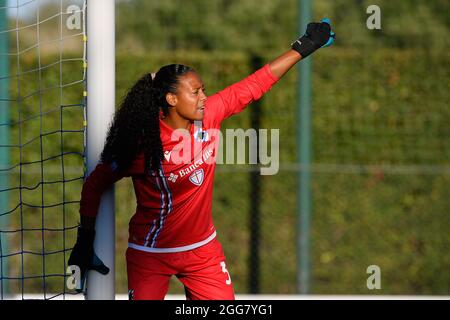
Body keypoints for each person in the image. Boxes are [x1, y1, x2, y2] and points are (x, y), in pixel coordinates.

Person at [68, 19, 335, 300]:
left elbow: (256, 83)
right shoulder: (142, 143)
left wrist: (305, 46)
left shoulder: (210, 115)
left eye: (203, 89)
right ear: (171, 99)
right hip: (151, 254)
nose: (204, 97)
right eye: (195, 92)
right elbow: (95, 184)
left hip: (203, 252)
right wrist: (84, 240)